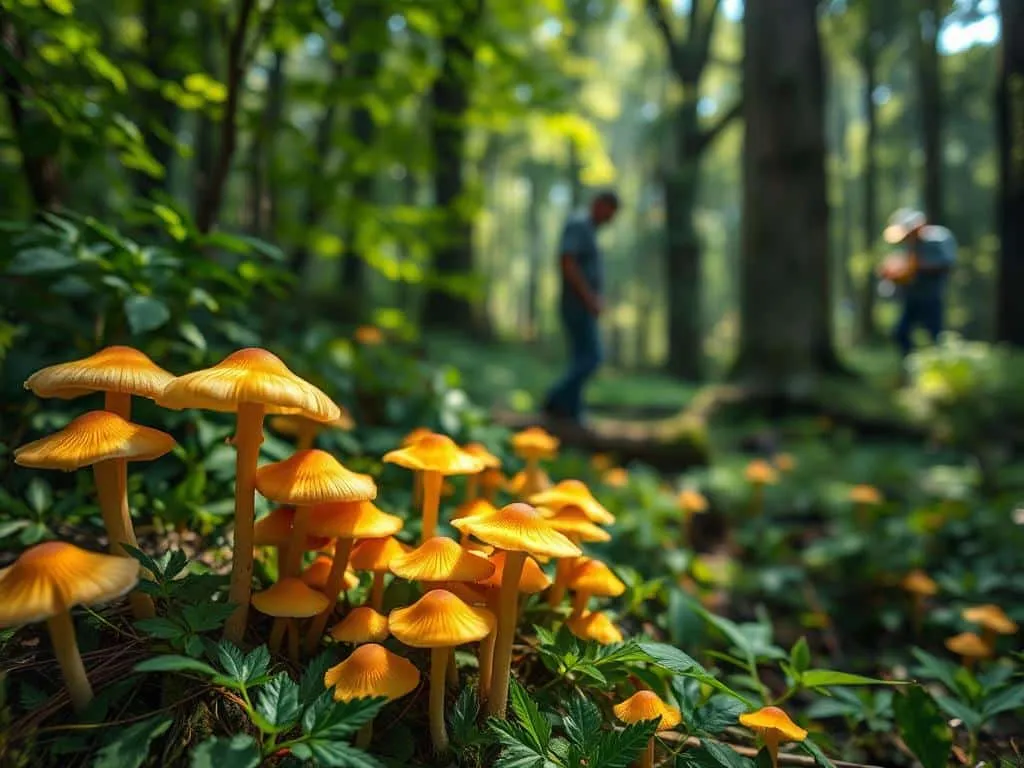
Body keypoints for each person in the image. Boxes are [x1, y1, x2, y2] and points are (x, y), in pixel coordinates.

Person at [542, 190, 620, 425]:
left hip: (582, 305)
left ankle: (571, 412)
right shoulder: (579, 224)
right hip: (576, 305)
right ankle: (554, 399)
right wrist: (589, 298)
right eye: (610, 211)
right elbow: (567, 262)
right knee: (593, 357)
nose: (611, 218)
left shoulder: (589, 230)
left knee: (580, 358)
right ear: (599, 204)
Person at [879, 208, 956, 360]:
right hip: (911, 297)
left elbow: (946, 264)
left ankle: (939, 369)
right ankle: (911, 365)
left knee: (935, 336)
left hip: (931, 297)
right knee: (900, 333)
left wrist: (914, 269)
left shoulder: (938, 239)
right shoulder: (909, 244)